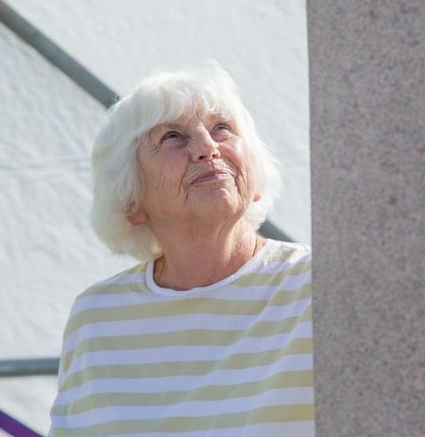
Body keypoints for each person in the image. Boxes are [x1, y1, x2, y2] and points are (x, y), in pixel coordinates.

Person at [49, 65, 313, 436]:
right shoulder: (98, 315)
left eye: (222, 128)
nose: (208, 148)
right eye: (173, 137)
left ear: (254, 175)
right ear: (131, 200)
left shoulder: (313, 285)